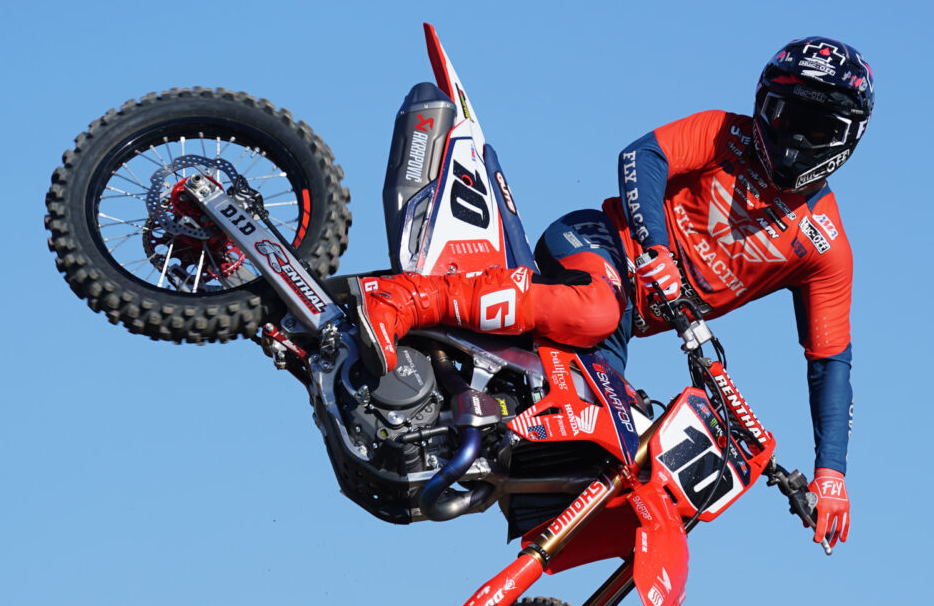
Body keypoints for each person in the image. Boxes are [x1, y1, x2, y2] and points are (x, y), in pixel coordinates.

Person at [350, 37, 874, 549]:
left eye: (814, 126)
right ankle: (403, 298)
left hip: (625, 322)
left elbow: (830, 361)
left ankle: (442, 436)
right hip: (599, 243)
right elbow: (641, 156)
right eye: (784, 114)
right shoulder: (723, 132)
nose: (793, 137)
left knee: (606, 437)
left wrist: (831, 473)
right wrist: (654, 247)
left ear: (844, 138)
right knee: (596, 308)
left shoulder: (825, 246)